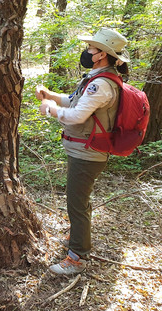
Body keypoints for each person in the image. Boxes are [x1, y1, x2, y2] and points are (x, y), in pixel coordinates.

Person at [36, 27, 130, 275]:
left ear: (101, 54)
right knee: (80, 202)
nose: (87, 51)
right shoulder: (96, 79)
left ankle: (77, 258)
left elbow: (77, 116)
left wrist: (48, 109)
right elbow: (74, 100)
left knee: (76, 205)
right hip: (83, 152)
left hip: (87, 155)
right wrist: (52, 97)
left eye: (91, 48)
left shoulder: (101, 84)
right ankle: (79, 239)